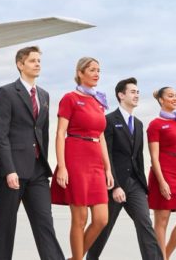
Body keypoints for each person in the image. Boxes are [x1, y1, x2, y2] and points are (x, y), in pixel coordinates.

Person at [0, 46, 65, 260]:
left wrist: (44, 162)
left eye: (39, 60)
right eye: (33, 60)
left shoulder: (44, 95)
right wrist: (9, 169)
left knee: (45, 225)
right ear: (20, 64)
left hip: (37, 171)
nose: (37, 64)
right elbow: (1, 135)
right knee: (5, 228)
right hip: (12, 171)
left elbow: (43, 132)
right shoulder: (6, 92)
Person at [87, 78, 163, 260]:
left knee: (145, 224)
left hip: (135, 184)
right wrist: (115, 186)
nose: (137, 95)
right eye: (132, 92)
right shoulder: (109, 121)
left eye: (138, 92)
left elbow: (138, 157)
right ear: (121, 95)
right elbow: (107, 155)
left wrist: (143, 188)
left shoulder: (138, 124)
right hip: (113, 183)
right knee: (104, 227)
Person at [51, 57, 114, 260]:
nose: (97, 74)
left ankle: (74, 258)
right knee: (80, 218)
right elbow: (61, 133)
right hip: (76, 155)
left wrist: (108, 169)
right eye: (92, 70)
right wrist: (62, 166)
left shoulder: (98, 101)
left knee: (102, 219)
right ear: (80, 73)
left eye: (99, 70)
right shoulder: (69, 98)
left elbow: (102, 137)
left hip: (96, 157)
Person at [147, 87, 176, 260]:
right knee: (162, 220)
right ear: (161, 100)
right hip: (163, 172)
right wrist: (161, 181)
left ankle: (164, 255)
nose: (175, 98)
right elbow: (154, 156)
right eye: (170, 96)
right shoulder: (155, 124)